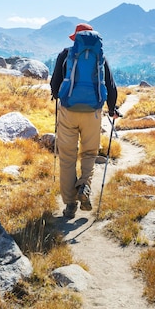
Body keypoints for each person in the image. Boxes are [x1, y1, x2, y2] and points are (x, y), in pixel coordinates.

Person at [50, 23, 119, 219]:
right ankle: (85, 185)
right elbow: (111, 86)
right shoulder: (100, 56)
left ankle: (70, 204)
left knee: (67, 157)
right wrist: (112, 109)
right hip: (93, 113)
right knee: (89, 153)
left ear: (76, 38)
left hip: (68, 111)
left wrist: (58, 96)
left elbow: (55, 85)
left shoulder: (66, 54)